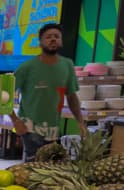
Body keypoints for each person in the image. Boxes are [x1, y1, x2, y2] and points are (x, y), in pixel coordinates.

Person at [11, 23, 87, 161]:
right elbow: (4, 96)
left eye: (57, 36)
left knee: (50, 169)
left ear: (61, 41)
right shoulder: (27, 67)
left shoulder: (67, 65)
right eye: (48, 37)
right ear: (40, 42)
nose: (53, 39)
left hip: (53, 129)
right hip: (30, 129)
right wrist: (15, 121)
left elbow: (71, 96)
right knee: (33, 167)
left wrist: (80, 122)